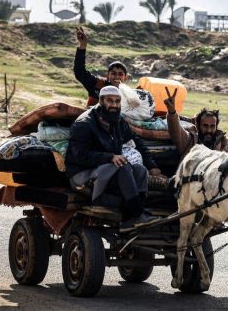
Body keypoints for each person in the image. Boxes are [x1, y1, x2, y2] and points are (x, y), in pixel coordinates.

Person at [65, 86, 167, 228]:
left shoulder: (118, 121)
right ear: (101, 101)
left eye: (117, 101)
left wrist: (152, 166)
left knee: (139, 170)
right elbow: (80, 156)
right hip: (82, 175)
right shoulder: (84, 124)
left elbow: (137, 141)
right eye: (110, 101)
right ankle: (137, 215)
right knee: (122, 167)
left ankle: (131, 216)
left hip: (107, 172)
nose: (114, 105)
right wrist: (109, 157)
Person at [163, 87, 228, 157]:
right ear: (197, 126)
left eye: (212, 126)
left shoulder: (224, 141)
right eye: (205, 126)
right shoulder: (190, 140)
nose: (209, 130)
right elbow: (175, 130)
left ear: (216, 127)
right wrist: (172, 112)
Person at [73, 26, 129, 107]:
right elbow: (79, 72)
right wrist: (82, 46)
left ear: (125, 78)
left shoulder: (128, 94)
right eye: (113, 73)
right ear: (107, 76)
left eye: (120, 74)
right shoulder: (97, 84)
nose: (117, 76)